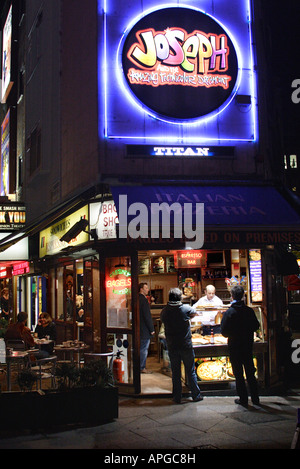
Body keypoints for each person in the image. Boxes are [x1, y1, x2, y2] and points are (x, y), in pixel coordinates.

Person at [220, 285, 260, 409]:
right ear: (243, 295)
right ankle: (255, 398)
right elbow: (256, 326)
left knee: (238, 374)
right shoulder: (249, 311)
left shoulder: (229, 312)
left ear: (232, 296)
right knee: (250, 372)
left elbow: (224, 332)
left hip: (235, 346)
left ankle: (243, 399)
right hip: (247, 345)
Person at [161, 288, 202, 404]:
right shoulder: (185, 309)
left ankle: (177, 397)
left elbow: (164, 321)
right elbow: (195, 313)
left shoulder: (165, 311)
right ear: (180, 298)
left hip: (172, 345)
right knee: (190, 370)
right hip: (185, 344)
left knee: (176, 372)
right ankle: (196, 395)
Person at [139, 282, 155, 374]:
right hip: (144, 329)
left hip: (140, 328)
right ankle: (142, 367)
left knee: (141, 348)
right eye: (146, 288)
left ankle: (140, 366)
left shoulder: (137, 299)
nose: (147, 289)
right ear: (141, 289)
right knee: (144, 348)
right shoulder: (144, 300)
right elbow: (147, 316)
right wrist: (151, 329)